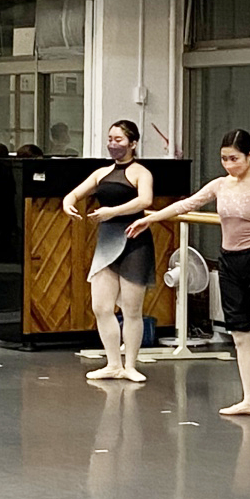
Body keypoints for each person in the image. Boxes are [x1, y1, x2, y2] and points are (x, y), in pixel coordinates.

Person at [129, 128, 250, 421]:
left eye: (234, 158)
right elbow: (187, 204)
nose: (228, 164)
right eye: (224, 159)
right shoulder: (220, 185)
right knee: (239, 331)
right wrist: (152, 218)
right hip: (229, 263)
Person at [64, 120, 154, 383]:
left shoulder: (141, 173)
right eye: (110, 139)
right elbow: (74, 194)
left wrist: (112, 212)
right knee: (101, 306)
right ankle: (113, 363)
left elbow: (145, 200)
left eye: (119, 140)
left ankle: (130, 365)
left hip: (134, 240)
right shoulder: (101, 173)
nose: (113, 144)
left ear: (133, 143)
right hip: (107, 241)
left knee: (132, 309)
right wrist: (68, 203)